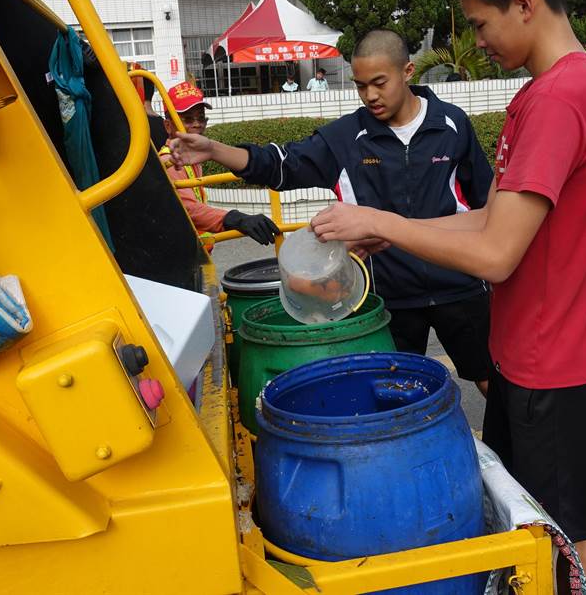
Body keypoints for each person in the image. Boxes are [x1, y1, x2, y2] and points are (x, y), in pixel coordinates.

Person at [308, 0, 586, 595]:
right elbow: (492, 218)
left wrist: (377, 217)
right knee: (535, 527)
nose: (477, 41)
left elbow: (496, 252)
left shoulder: (561, 99)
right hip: (532, 361)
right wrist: (395, 232)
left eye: (481, 23)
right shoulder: (549, 92)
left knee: (567, 536)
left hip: (559, 371)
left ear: (525, 3)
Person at [169, 30, 495, 395]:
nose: (370, 95)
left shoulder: (452, 125)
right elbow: (279, 164)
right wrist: (214, 149)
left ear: (407, 72)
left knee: (490, 380)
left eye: (379, 83)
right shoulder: (346, 137)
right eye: (360, 86)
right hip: (388, 295)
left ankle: (505, 451)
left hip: (460, 284)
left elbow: (485, 206)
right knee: (393, 394)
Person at [159, 82, 280, 251]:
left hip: (195, 250)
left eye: (201, 118)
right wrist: (236, 219)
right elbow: (188, 209)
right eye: (187, 119)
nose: (197, 124)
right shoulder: (170, 161)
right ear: (168, 126)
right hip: (182, 254)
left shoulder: (189, 159)